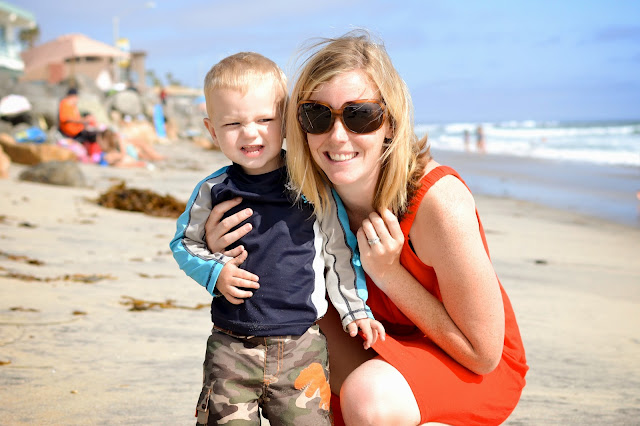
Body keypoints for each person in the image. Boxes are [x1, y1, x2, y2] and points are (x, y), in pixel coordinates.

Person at [205, 32, 528, 425]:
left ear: (390, 122)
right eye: (317, 116)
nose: (338, 136)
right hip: (370, 346)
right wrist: (217, 251)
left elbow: (482, 354)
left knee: (368, 397)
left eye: (360, 116)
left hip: (462, 365)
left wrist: (389, 274)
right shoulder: (299, 197)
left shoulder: (439, 202)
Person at [169, 52, 384, 426]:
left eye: (264, 120)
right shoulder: (213, 190)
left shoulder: (310, 185)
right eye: (233, 123)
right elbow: (185, 244)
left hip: (303, 346)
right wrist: (216, 271)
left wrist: (355, 309)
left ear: (285, 122)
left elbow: (337, 252)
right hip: (231, 346)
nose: (250, 133)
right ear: (212, 130)